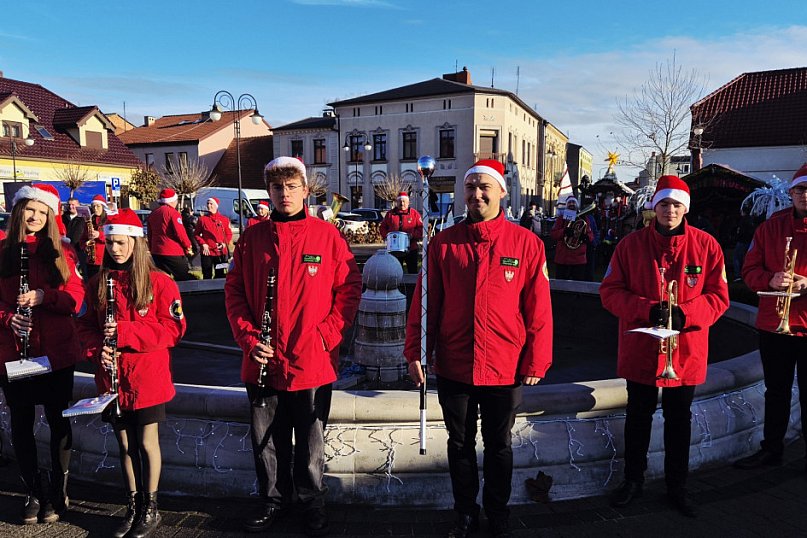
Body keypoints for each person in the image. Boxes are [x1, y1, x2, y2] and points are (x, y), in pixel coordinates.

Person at [404, 159, 553, 538]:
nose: (476, 194)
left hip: (504, 366)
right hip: (456, 363)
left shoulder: (527, 245)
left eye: (484, 187)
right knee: (459, 444)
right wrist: (416, 352)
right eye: (470, 187)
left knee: (500, 446)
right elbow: (425, 304)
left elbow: (538, 308)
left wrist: (536, 358)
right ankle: (465, 511)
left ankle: (497, 512)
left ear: (502, 192)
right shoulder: (443, 245)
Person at [225, 156, 361, 536]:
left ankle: (311, 501)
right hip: (263, 357)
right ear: (268, 191)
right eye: (276, 187)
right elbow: (233, 291)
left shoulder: (326, 236)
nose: (283, 194)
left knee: (311, 439)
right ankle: (272, 499)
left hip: (311, 358)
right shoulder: (252, 238)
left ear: (305, 190)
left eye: (290, 187)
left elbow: (349, 288)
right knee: (266, 438)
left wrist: (327, 334)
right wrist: (249, 338)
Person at [600, 175, 729, 518]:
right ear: (653, 207)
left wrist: (686, 313)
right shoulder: (629, 246)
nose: (669, 210)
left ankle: (677, 485)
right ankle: (633, 480)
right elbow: (609, 292)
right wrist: (645, 308)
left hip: (685, 350)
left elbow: (719, 296)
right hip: (642, 346)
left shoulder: (707, 245)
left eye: (675, 205)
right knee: (637, 417)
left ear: (684, 209)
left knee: (679, 419)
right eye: (663, 204)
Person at [77, 208, 186, 538]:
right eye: (110, 243)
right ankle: (133, 504)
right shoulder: (97, 283)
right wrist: (98, 350)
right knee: (124, 445)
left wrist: (126, 333)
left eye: (121, 243)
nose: (114, 249)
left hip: (147, 378)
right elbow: (83, 327)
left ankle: (151, 508)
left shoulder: (160, 283)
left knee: (146, 443)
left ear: (136, 243)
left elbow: (174, 328)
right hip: (112, 379)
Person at [0, 184, 84, 524]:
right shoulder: (2, 250)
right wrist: (8, 318)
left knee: (57, 419)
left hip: (56, 353)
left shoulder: (64, 251)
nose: (34, 217)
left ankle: (57, 488)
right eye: (29, 210)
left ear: (50, 215)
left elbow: (77, 301)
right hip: (14, 353)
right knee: (21, 422)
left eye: (41, 211)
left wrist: (43, 296)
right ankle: (32, 490)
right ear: (19, 211)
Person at [733, 164, 807, 472]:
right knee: (775, 391)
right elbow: (749, 272)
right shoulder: (769, 228)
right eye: (801, 190)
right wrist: (770, 280)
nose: (805, 195)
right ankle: (771, 449)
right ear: (791, 193)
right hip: (774, 325)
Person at [147, 188, 194, 281]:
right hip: (172, 251)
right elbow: (180, 233)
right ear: (172, 201)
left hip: (157, 251)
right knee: (184, 277)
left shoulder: (153, 214)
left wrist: (151, 248)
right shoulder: (173, 213)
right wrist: (188, 245)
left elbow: (150, 234)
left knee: (163, 278)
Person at [550, 196, 595, 281]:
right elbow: (553, 234)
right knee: (561, 285)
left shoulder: (584, 218)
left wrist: (584, 237)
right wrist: (564, 231)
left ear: (577, 205)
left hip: (578, 259)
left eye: (573, 202)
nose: (571, 204)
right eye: (569, 203)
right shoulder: (561, 218)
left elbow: (591, 236)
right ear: (566, 205)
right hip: (563, 258)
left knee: (578, 285)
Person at [380, 191, 424, 274]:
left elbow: (421, 229)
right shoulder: (390, 214)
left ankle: (412, 286)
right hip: (394, 249)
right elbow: (382, 227)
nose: (402, 203)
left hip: (411, 248)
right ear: (397, 202)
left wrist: (413, 235)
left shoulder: (414, 214)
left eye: (404, 201)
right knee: (395, 271)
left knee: (412, 271)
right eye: (400, 201)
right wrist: (387, 236)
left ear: (408, 202)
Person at [194, 197, 232, 279]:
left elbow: (228, 234)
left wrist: (224, 244)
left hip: (220, 252)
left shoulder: (224, 220)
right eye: (207, 203)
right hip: (207, 252)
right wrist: (203, 244)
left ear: (216, 205)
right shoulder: (202, 219)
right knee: (207, 274)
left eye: (211, 204)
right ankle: (206, 290)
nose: (209, 205)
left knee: (220, 274)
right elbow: (196, 234)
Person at [81, 194, 108, 278]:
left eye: (98, 206)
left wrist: (99, 235)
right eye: (93, 206)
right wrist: (84, 245)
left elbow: (111, 237)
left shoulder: (108, 220)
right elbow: (83, 238)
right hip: (91, 260)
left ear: (103, 207)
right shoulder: (90, 220)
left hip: (104, 259)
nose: (95, 208)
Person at [733, 206, 756, 281]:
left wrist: (738, 236)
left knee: (737, 258)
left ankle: (738, 275)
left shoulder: (743, 221)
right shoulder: (751, 220)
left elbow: (741, 232)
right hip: (748, 242)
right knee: (745, 259)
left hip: (742, 241)